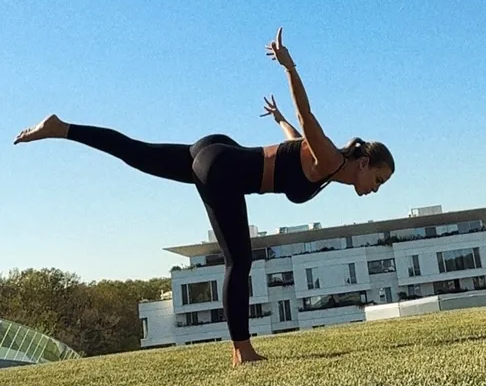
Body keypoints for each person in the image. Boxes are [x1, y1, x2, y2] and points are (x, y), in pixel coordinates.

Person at [13, 28, 394, 368]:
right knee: (239, 260)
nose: (375, 188)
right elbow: (307, 116)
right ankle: (242, 351)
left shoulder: (323, 163)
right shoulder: (330, 159)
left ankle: (62, 128)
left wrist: (278, 118)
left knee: (137, 151)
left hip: (217, 152)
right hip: (223, 169)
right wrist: (289, 68)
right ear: (363, 163)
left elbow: (294, 136)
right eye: (378, 179)